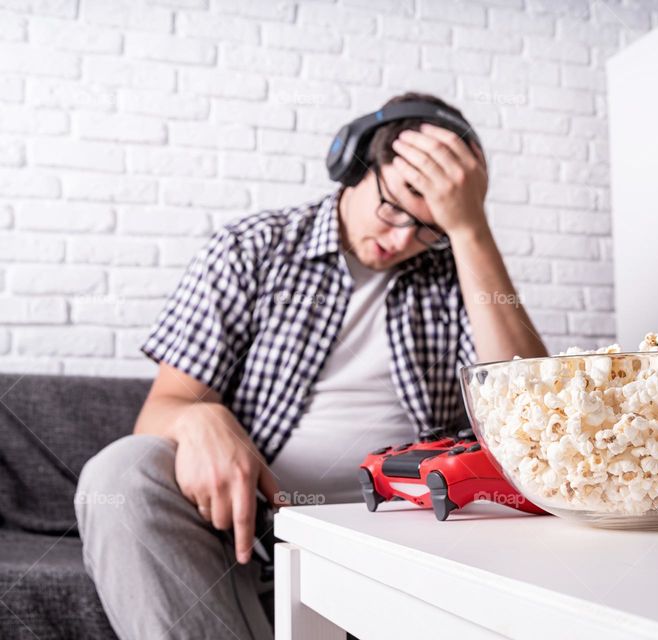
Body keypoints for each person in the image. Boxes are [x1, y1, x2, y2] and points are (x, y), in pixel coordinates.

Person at [75, 91, 547, 639]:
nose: (400, 240)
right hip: (253, 537)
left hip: (404, 539)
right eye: (395, 206)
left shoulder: (458, 269)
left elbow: (529, 417)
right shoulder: (253, 249)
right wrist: (196, 417)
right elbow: (161, 410)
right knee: (121, 472)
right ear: (352, 164)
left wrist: (469, 231)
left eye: (428, 227)